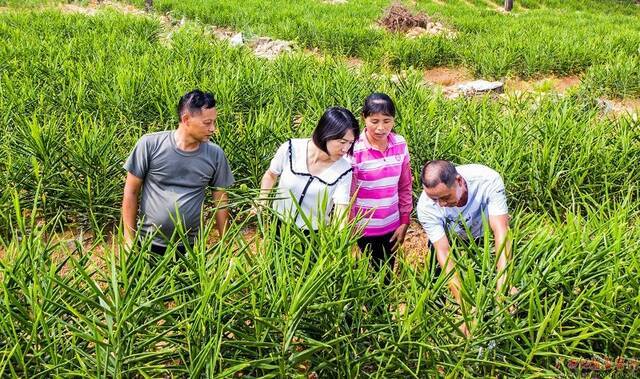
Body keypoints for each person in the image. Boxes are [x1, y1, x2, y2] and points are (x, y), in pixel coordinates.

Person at [121, 90, 235, 254]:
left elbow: (221, 201)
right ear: (186, 119)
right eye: (207, 123)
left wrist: (226, 243)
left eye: (214, 122)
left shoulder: (215, 154)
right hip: (147, 243)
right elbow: (131, 192)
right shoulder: (149, 144)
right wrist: (129, 239)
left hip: (191, 247)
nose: (213, 129)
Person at [417, 160, 516, 335]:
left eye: (446, 197)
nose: (440, 204)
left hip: (483, 234)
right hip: (450, 237)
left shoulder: (487, 180)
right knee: (436, 277)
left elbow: (501, 231)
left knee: (491, 272)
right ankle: (436, 310)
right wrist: (465, 307)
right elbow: (444, 252)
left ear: (459, 181)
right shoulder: (426, 207)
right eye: (434, 199)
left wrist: (503, 285)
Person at [258, 107, 358, 232]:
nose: (346, 149)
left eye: (350, 143)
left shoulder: (344, 169)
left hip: (313, 235)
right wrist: (262, 200)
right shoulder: (291, 149)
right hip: (278, 225)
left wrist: (339, 239)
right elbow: (271, 175)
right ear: (325, 134)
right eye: (342, 142)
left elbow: (340, 208)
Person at [350, 93, 413, 271]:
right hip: (361, 230)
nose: (381, 128)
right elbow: (348, 194)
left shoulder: (400, 144)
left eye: (387, 121)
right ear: (364, 118)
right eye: (374, 121)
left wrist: (405, 221)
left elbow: (405, 185)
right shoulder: (354, 149)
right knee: (361, 278)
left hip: (391, 227)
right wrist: (349, 231)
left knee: (385, 274)